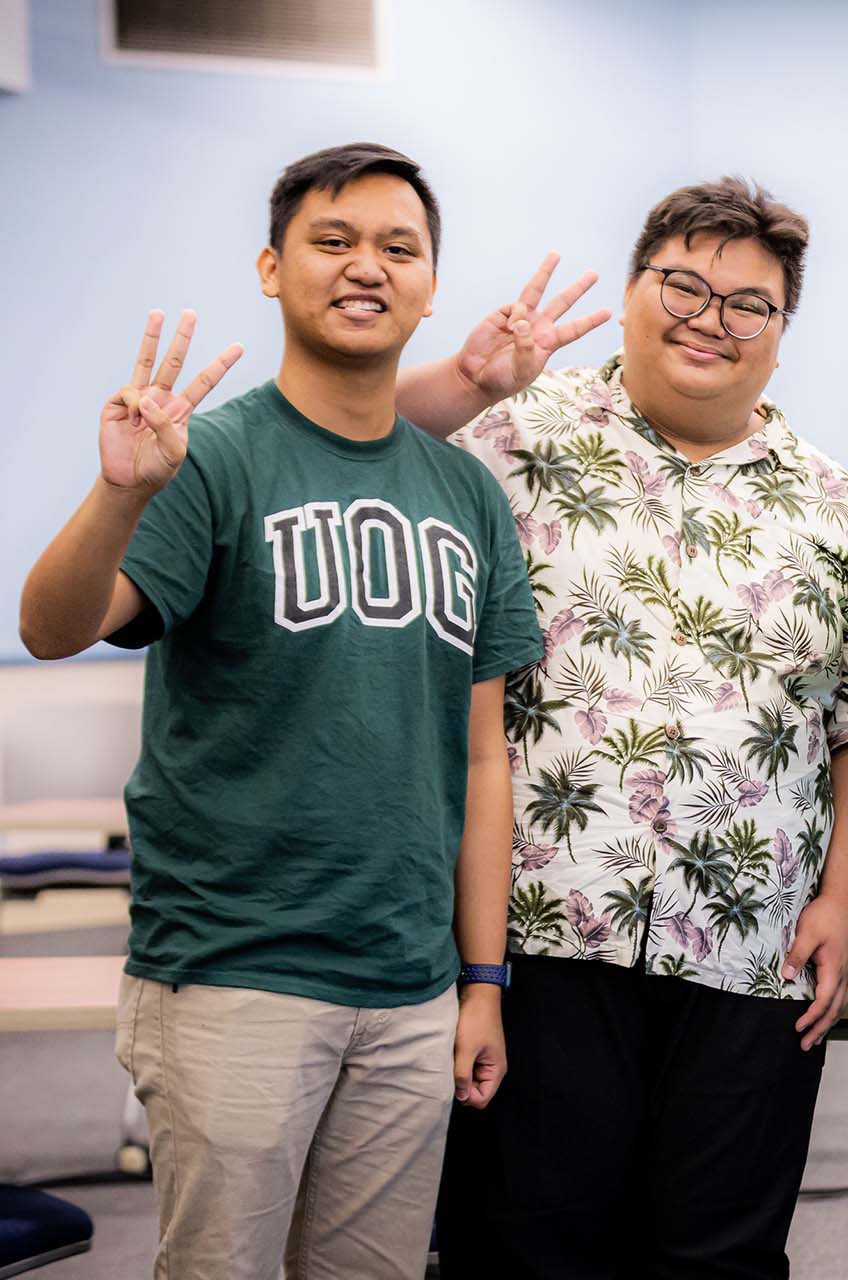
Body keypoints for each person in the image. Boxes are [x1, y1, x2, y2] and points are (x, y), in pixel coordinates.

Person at [17, 143, 543, 1279]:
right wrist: (118, 492)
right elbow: (54, 627)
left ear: (431, 284)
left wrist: (483, 979)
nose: (368, 266)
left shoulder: (465, 494)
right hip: (230, 973)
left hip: (408, 988)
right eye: (334, 239)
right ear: (271, 266)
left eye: (399, 247)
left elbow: (482, 757)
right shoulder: (208, 457)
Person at [394, 177, 848, 1278]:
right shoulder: (509, 439)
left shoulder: (834, 505)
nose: (708, 317)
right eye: (683, 282)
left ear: (782, 332)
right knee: (522, 1251)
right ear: (633, 290)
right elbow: (339, 439)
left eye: (747, 302)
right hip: (538, 943)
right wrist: (458, 382)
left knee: (717, 1259)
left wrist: (843, 896)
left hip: (750, 954)